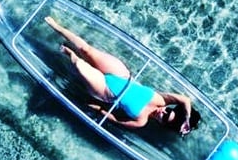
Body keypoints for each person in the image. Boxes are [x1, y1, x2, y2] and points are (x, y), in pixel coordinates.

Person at [45, 16, 201, 135]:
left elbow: (117, 119)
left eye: (165, 117)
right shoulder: (162, 100)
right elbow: (185, 99)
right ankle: (56, 26)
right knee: (87, 50)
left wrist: (99, 110)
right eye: (168, 111)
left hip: (106, 91)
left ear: (163, 124)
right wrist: (187, 118)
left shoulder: (141, 121)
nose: (163, 112)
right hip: (122, 76)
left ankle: (69, 54)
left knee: (79, 65)